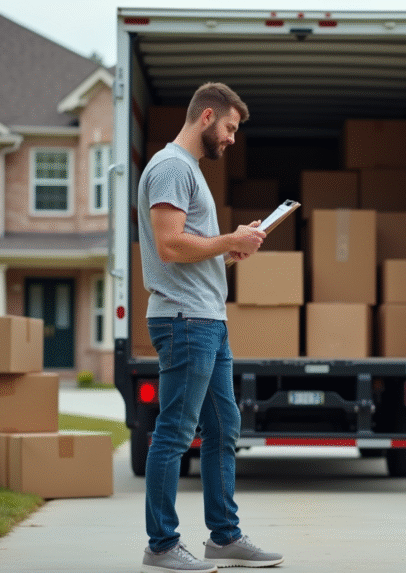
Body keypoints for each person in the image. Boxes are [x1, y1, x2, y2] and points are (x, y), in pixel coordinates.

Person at [137, 82, 284, 573]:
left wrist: (232, 249)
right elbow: (170, 246)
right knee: (174, 433)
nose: (232, 138)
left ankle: (224, 538)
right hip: (184, 321)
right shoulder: (171, 168)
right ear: (205, 116)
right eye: (229, 127)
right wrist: (228, 240)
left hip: (207, 320)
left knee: (223, 428)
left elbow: (191, 250)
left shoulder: (189, 172)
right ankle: (161, 546)